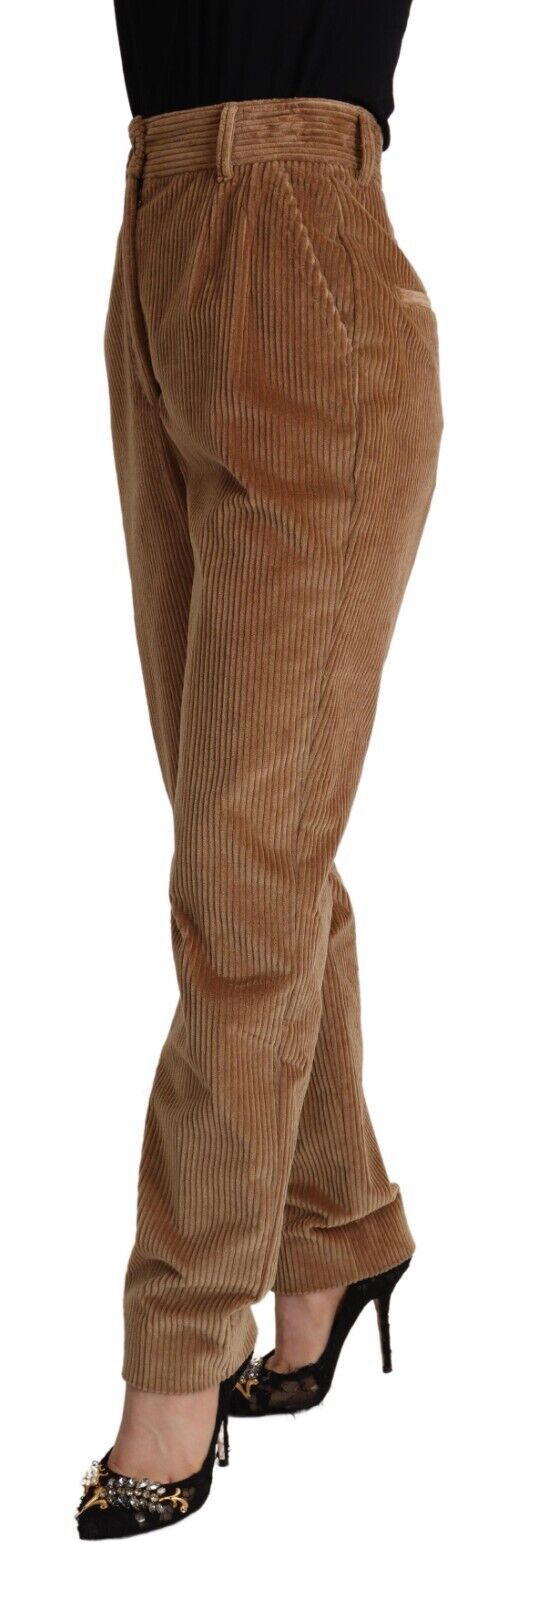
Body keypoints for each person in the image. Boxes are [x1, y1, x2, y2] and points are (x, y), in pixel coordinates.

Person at [77, 0, 443, 1538]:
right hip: (156, 228)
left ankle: (180, 1355)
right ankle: (336, 1229)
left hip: (303, 242)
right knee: (253, 845)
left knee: (241, 872)